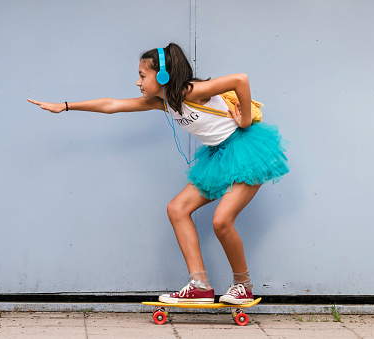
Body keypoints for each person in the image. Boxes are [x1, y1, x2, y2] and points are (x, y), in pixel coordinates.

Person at [28, 43, 289, 305]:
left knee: (221, 222)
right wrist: (65, 106)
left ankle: (243, 285)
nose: (138, 82)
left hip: (245, 151)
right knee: (177, 209)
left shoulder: (193, 92)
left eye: (143, 75)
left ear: (162, 76)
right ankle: (199, 285)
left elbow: (240, 79)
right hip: (218, 157)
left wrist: (243, 120)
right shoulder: (164, 102)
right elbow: (112, 105)